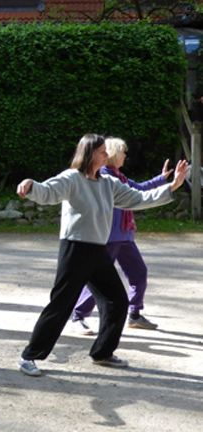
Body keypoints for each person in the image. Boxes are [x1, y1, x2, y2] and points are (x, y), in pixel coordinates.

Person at [15, 134, 188, 377]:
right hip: (75, 250)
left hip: (98, 250)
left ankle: (102, 352)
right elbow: (46, 192)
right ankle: (28, 357)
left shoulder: (109, 183)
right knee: (61, 305)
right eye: (102, 152)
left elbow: (137, 198)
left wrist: (171, 187)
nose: (106, 156)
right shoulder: (72, 178)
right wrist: (29, 184)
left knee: (116, 300)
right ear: (89, 153)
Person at [69, 138, 171, 335]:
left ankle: (134, 314)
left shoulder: (119, 176)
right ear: (114, 154)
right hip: (108, 237)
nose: (125, 155)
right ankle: (78, 317)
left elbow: (139, 190)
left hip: (124, 236)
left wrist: (162, 179)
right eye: (123, 151)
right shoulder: (104, 177)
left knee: (139, 272)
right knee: (97, 278)